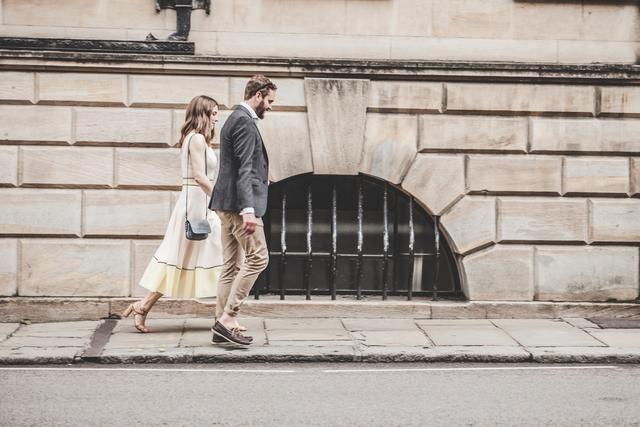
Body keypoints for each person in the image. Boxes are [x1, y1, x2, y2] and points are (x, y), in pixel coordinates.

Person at [122, 95, 223, 333]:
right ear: (204, 114)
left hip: (199, 204)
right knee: (189, 258)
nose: (217, 118)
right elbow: (199, 176)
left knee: (187, 259)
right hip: (196, 206)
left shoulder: (196, 139)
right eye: (214, 113)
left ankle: (143, 307)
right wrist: (220, 199)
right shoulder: (196, 139)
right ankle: (227, 317)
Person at [209, 75, 277, 346]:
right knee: (259, 258)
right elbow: (245, 169)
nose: (270, 106)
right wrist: (248, 209)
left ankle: (220, 323)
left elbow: (237, 166)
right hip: (239, 206)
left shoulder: (234, 118)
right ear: (258, 95)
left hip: (225, 203)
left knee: (231, 265)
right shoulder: (245, 122)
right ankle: (228, 318)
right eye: (269, 100)